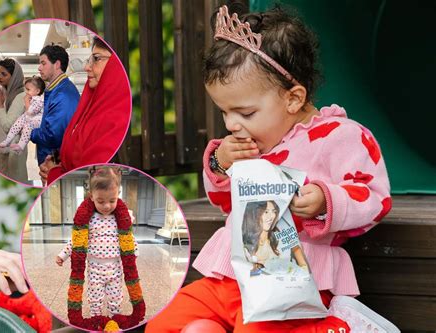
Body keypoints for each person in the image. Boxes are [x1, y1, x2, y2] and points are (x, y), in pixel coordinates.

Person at [146, 4, 399, 333]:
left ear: (293, 98)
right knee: (164, 323)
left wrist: (326, 199)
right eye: (224, 112)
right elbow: (224, 201)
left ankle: (334, 326)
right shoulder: (250, 143)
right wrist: (220, 164)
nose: (232, 124)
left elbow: (375, 196)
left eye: (245, 113)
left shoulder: (340, 136)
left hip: (288, 281)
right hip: (230, 278)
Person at [39, 37, 131, 185]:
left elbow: (90, 177)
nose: (87, 67)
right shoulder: (92, 105)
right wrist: (59, 161)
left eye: (96, 58)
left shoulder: (114, 120)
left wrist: (54, 173)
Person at [56, 166, 139, 318]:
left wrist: (134, 252)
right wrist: (63, 255)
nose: (107, 206)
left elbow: (128, 237)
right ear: (91, 196)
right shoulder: (88, 219)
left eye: (112, 200)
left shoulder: (121, 218)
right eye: (101, 201)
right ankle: (96, 319)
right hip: (94, 269)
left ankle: (115, 318)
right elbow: (76, 241)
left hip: (115, 267)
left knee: (115, 297)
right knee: (95, 298)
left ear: (118, 195)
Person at [31, 45, 79, 168]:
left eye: (43, 63)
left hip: (55, 163)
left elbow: (54, 136)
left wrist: (30, 132)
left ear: (57, 64)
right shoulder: (56, 90)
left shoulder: (63, 94)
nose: (39, 68)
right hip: (49, 161)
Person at [0, 58, 28, 183]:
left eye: (4, 74)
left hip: (11, 152)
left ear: (14, 76)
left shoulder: (21, 97)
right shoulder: (5, 92)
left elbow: (8, 126)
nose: (0, 76)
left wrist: (0, 105)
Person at [242, 200, 307, 276]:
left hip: (289, 283)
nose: (271, 216)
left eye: (274, 211)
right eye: (266, 212)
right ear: (254, 214)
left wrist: (304, 269)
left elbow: (296, 248)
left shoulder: (280, 234)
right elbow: (252, 276)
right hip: (261, 284)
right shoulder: (245, 245)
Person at [0, 76, 45, 153]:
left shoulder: (40, 100)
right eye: (25, 89)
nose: (26, 92)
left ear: (37, 91)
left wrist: (26, 101)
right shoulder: (32, 98)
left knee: (27, 127)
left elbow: (31, 111)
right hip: (29, 117)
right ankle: (7, 140)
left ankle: (21, 145)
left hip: (37, 120)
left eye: (28, 89)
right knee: (17, 123)